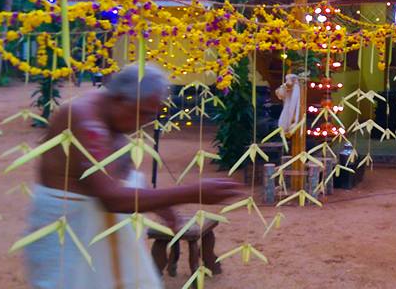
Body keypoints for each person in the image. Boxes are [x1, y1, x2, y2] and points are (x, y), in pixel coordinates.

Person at [24, 63, 243, 289]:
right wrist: (192, 192)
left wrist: (167, 212)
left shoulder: (114, 118)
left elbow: (126, 175)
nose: (145, 121)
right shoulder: (83, 119)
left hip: (99, 234)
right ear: (120, 98)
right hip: (70, 233)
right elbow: (112, 198)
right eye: (144, 112)